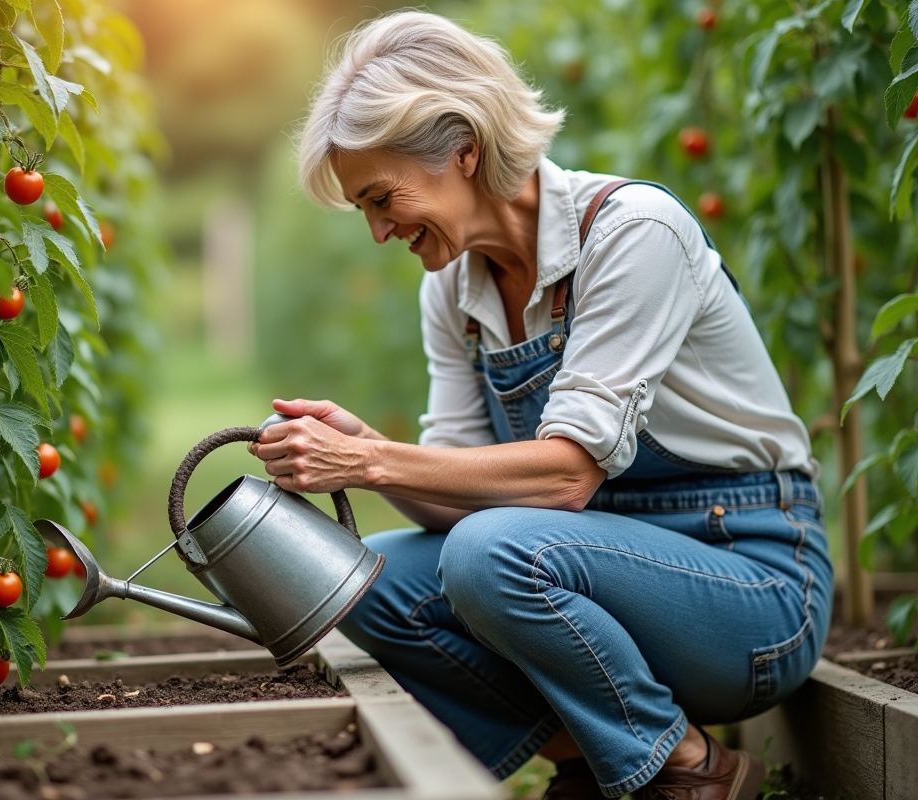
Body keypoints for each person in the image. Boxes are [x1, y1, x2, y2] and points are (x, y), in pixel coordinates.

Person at [248, 10, 832, 800]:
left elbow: (564, 484)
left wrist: (375, 458)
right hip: (591, 565)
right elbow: (454, 511)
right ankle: (596, 761)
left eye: (383, 198)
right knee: (364, 578)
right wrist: (370, 458)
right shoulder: (452, 289)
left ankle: (687, 775)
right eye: (365, 210)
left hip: (750, 586)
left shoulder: (632, 233)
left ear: (464, 149)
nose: (380, 230)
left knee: (495, 554)